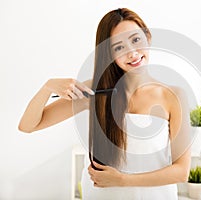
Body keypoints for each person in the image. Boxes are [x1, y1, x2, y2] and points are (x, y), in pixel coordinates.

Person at [19, 8, 191, 199]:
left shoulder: (174, 96)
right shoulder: (93, 92)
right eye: (119, 47)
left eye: (135, 40)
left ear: (147, 36)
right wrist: (48, 87)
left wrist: (122, 180)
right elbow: (28, 125)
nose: (132, 53)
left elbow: (181, 171)